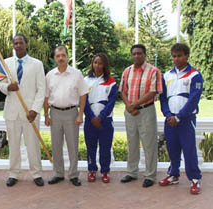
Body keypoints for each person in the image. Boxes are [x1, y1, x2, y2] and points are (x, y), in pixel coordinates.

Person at [0, 34, 46, 187]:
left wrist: (35, 110)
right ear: (13, 46)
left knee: (33, 145)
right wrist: (7, 87)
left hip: (29, 113)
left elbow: (41, 89)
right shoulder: (6, 63)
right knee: (13, 146)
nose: (18, 45)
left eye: (21, 43)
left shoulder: (37, 64)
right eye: (15, 43)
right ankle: (13, 173)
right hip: (12, 112)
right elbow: (0, 84)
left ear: (26, 45)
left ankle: (36, 173)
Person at [159, 43, 203, 194]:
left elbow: (193, 99)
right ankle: (173, 175)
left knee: (189, 149)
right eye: (174, 56)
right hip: (170, 120)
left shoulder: (194, 75)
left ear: (186, 56)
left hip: (186, 120)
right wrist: (168, 115)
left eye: (180, 56)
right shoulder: (167, 75)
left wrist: (179, 117)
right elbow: (163, 98)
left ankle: (195, 179)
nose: (177, 59)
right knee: (172, 149)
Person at [119, 44, 162, 188]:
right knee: (132, 143)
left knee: (149, 144)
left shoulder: (153, 71)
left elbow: (153, 91)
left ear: (144, 55)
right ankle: (132, 172)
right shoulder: (127, 71)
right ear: (131, 55)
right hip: (130, 112)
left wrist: (135, 104)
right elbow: (122, 91)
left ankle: (150, 175)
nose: (137, 56)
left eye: (139, 53)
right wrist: (129, 106)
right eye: (134, 54)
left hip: (146, 111)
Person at [44, 46, 88, 186]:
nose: (61, 58)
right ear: (55, 58)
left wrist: (80, 114)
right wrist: (46, 115)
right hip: (55, 113)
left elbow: (83, 95)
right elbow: (45, 97)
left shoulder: (76, 74)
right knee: (56, 145)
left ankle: (73, 175)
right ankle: (58, 173)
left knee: (72, 146)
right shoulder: (50, 75)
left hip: (71, 113)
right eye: (58, 56)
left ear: (67, 56)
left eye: (63, 55)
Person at [84, 53, 117, 183]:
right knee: (90, 147)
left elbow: (111, 102)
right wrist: (92, 117)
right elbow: (84, 102)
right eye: (95, 62)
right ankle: (91, 170)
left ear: (105, 65)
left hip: (106, 121)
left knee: (105, 147)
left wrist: (101, 117)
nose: (97, 65)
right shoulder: (86, 80)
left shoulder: (111, 81)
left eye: (100, 63)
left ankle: (105, 171)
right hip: (90, 120)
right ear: (92, 64)